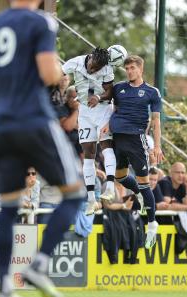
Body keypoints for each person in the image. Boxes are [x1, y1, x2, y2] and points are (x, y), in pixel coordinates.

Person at [0, 0, 85, 297]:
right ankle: (39, 264)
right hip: (35, 119)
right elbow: (48, 74)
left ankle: (4, 284)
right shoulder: (42, 22)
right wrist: (61, 68)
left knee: (8, 205)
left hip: (4, 124)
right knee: (75, 195)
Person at [102, 55, 164, 248]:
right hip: (118, 139)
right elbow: (111, 109)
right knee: (120, 177)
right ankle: (138, 192)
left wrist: (157, 146)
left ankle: (152, 223)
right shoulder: (119, 89)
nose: (129, 71)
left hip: (137, 140)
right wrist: (106, 123)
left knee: (144, 183)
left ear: (140, 70)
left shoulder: (151, 92)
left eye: (132, 68)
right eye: (127, 68)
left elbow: (155, 121)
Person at [62, 46, 116, 214]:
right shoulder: (75, 62)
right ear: (90, 57)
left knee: (106, 146)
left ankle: (110, 188)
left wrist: (99, 97)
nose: (92, 70)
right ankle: (91, 199)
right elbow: (59, 73)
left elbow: (110, 91)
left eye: (96, 69)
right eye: (92, 66)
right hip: (84, 112)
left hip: (103, 110)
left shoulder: (107, 69)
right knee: (88, 156)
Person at [56, 86, 82, 157]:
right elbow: (67, 126)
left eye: (77, 98)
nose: (75, 100)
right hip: (65, 146)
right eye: (72, 97)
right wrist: (76, 110)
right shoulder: (60, 109)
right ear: (66, 97)